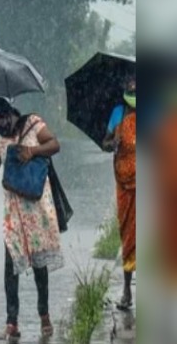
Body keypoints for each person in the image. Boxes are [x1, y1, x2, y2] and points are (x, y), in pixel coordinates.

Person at [0, 97, 63, 341]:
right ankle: (11, 323)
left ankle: (44, 317)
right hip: (13, 214)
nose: (0, 128)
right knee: (10, 267)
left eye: (2, 122)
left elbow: (54, 144)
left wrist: (33, 151)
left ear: (10, 115)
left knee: (39, 266)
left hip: (36, 209)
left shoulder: (33, 124)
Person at [102, 77, 136, 310]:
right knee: (129, 235)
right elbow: (105, 143)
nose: (132, 86)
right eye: (128, 82)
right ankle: (127, 291)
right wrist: (112, 142)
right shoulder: (118, 112)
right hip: (125, 183)